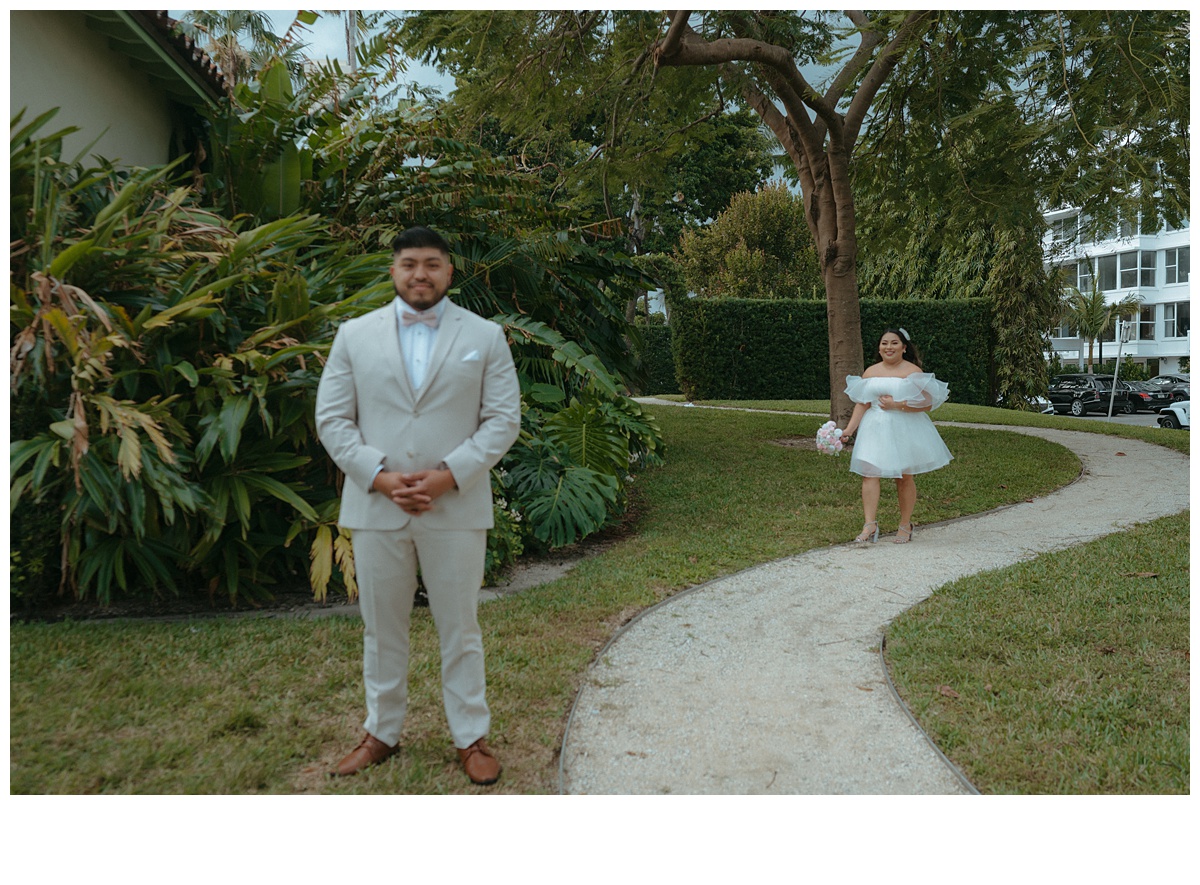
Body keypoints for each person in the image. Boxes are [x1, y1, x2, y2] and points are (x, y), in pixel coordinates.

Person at [315, 226, 521, 785]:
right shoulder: (354, 336)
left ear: (450, 272)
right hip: (376, 507)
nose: (420, 274)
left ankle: (471, 737)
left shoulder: (485, 336)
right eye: (409, 263)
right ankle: (381, 732)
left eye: (432, 264)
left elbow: (503, 420)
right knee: (383, 628)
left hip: (454, 507)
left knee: (461, 626)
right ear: (394, 270)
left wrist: (447, 477)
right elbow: (332, 418)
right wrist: (378, 477)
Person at [838, 327, 952, 544]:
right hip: (874, 427)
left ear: (904, 347)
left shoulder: (913, 372)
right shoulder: (870, 372)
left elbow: (926, 404)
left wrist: (898, 404)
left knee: (904, 476)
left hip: (904, 427)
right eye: (884, 343)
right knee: (869, 473)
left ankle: (905, 524)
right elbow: (862, 403)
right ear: (879, 348)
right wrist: (849, 430)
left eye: (893, 343)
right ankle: (869, 524)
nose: (888, 347)